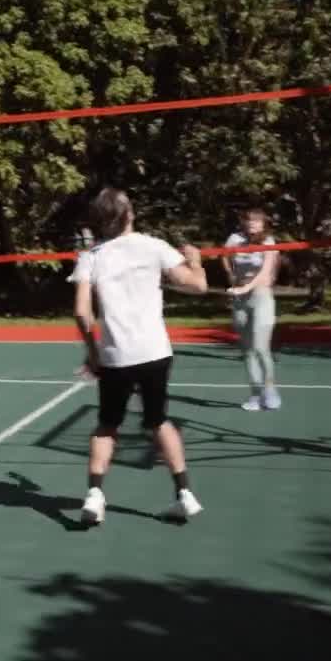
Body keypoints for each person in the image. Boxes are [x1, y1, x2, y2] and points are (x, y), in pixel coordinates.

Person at [70, 188, 210, 525]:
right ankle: (184, 493)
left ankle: (95, 495)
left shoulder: (91, 257)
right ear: (129, 214)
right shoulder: (154, 246)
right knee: (158, 420)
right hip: (154, 352)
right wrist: (195, 260)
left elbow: (81, 312)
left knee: (107, 426)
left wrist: (93, 353)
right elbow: (198, 286)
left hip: (116, 356)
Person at [223, 206, 285, 411]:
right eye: (249, 220)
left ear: (263, 223)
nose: (252, 223)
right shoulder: (234, 239)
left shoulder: (269, 241)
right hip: (240, 298)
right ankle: (255, 395)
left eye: (257, 220)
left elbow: (265, 272)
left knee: (260, 347)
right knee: (248, 351)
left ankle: (270, 389)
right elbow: (224, 256)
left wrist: (245, 288)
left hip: (261, 296)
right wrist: (232, 277)